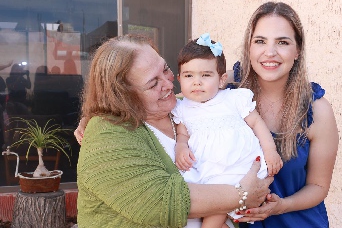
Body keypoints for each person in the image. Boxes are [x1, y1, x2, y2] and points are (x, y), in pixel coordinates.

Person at [75, 34, 273, 228]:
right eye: (153, 83)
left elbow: (217, 77)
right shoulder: (106, 133)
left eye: (166, 69)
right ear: (122, 96)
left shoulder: (185, 107)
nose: (169, 83)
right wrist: (242, 194)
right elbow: (159, 202)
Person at [229, 2, 339, 227]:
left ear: (297, 50)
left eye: (282, 42)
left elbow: (318, 187)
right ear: (249, 47)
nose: (270, 52)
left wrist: (281, 206)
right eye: (260, 41)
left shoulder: (317, 110)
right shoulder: (225, 95)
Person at [172, 33, 283, 228]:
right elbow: (182, 134)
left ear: (222, 79)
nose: (197, 82)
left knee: (217, 214)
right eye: (189, 76)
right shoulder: (182, 108)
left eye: (206, 75)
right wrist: (181, 148)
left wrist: (270, 151)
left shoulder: (233, 99)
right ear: (179, 78)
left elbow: (257, 124)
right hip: (211, 170)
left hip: (239, 165)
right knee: (215, 206)